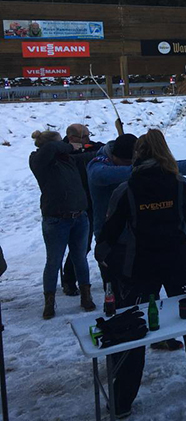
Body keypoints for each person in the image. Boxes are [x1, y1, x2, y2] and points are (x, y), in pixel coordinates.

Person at [96, 130, 186, 418]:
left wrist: (106, 261)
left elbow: (108, 235)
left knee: (133, 329)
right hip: (179, 263)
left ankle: (122, 400)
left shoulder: (126, 189)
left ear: (139, 155)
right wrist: (185, 247)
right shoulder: (180, 183)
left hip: (141, 267)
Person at [88, 133, 186, 350]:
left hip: (141, 260)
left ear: (138, 154)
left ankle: (133, 373)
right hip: (154, 257)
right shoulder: (100, 169)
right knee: (180, 315)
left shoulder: (130, 186)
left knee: (166, 315)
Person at [29, 130, 96, 319]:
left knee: (80, 258)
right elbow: (51, 147)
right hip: (56, 220)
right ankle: (49, 302)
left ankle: (86, 296)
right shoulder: (39, 161)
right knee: (53, 261)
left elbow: (87, 156)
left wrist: (107, 149)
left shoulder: (68, 159)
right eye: (62, 143)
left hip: (80, 217)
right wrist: (69, 145)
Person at [61, 124, 104, 296]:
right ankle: (69, 280)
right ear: (72, 139)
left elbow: (100, 148)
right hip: (78, 206)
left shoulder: (91, 147)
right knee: (81, 246)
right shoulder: (64, 154)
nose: (88, 139)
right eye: (84, 136)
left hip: (93, 202)